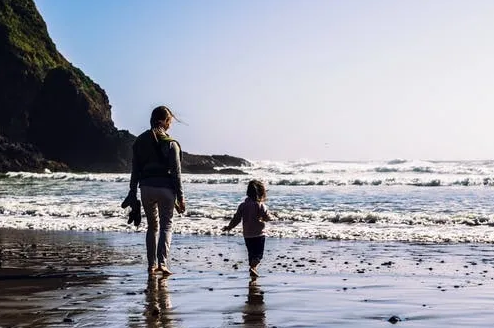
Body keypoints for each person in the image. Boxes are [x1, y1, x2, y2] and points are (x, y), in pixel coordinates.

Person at [123, 105, 186, 275]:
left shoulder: (139, 142)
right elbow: (176, 174)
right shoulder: (172, 144)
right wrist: (181, 197)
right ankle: (162, 264)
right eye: (170, 121)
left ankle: (151, 265)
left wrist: (132, 192)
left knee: (152, 227)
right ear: (166, 121)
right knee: (166, 226)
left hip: (146, 189)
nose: (170, 125)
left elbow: (135, 170)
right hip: (166, 190)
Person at [222, 180, 272, 277]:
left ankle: (253, 270)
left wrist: (229, 227)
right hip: (259, 234)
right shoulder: (260, 205)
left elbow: (236, 218)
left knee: (251, 253)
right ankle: (253, 268)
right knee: (258, 255)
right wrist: (270, 217)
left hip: (247, 235)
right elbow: (267, 217)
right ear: (261, 193)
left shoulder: (242, 205)